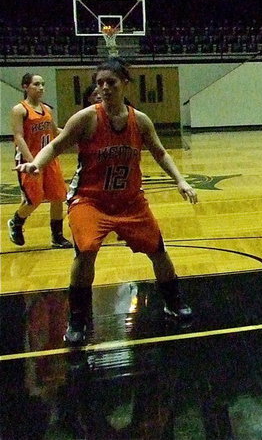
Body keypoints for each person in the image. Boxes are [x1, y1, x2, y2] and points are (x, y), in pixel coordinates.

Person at [15, 58, 198, 345]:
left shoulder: (140, 120)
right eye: (99, 83)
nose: (104, 88)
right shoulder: (87, 118)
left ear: (125, 83)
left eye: (110, 83)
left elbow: (161, 153)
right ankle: (76, 319)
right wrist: (36, 164)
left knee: (158, 251)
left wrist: (180, 180)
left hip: (130, 201)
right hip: (91, 200)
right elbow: (55, 145)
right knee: (86, 252)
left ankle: (173, 301)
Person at [8, 73, 72, 248]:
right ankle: (16, 222)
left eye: (43, 84)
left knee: (59, 196)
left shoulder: (47, 110)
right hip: (29, 159)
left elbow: (55, 131)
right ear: (25, 86)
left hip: (49, 158)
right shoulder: (19, 110)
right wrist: (33, 162)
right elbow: (19, 137)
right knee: (34, 199)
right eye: (36, 84)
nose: (41, 88)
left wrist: (74, 135)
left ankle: (57, 236)